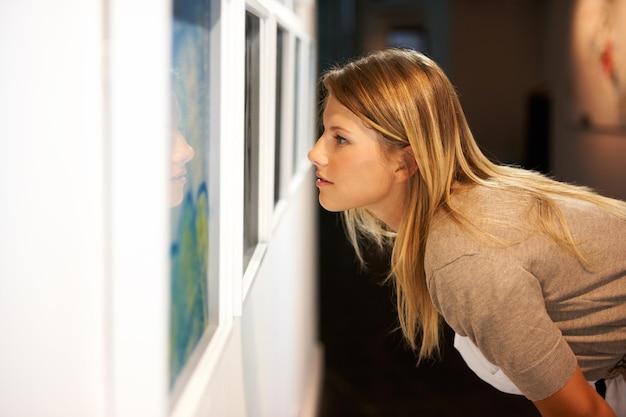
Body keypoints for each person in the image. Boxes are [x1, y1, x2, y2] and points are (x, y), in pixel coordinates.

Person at [308, 48, 626, 417]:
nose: (316, 153)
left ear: (405, 162)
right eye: (325, 133)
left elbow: (584, 414)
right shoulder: (468, 213)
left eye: (340, 138)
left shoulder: (464, 254)